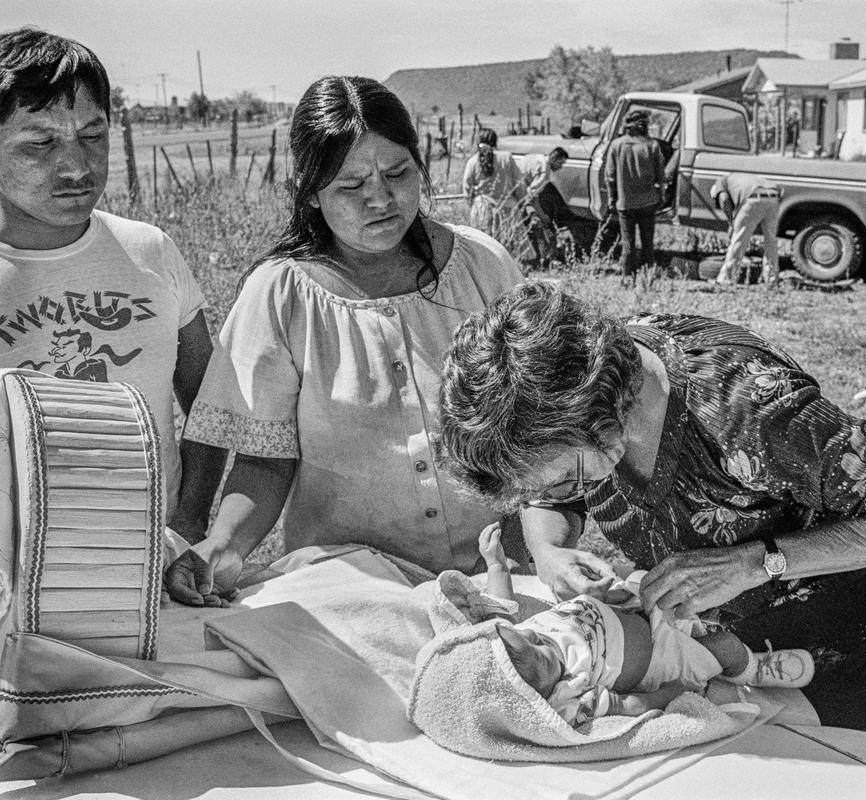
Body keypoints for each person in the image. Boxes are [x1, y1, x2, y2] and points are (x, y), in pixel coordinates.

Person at [435, 281, 866, 736]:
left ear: (601, 413)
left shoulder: (746, 407)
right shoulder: (572, 404)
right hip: (689, 659)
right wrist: (549, 549)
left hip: (822, 649)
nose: (563, 489)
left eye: (569, 473)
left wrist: (754, 563)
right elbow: (550, 491)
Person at [164, 76, 523, 606]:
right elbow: (266, 460)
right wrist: (223, 544)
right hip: (352, 586)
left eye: (398, 173)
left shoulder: (482, 267)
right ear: (310, 191)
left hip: (498, 572)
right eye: (351, 186)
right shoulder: (279, 297)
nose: (380, 198)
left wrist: (525, 554)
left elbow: (537, 430)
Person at [0, 27, 224, 544]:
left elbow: (212, 407)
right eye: (41, 143)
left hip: (147, 563)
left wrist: (187, 523)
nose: (76, 165)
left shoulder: (150, 251)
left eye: (93, 136)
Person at [474, 522, 814, 727]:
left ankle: (710, 641)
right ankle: (752, 669)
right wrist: (666, 697)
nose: (535, 635)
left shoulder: (508, 641)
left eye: (526, 635)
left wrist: (496, 566)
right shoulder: (565, 694)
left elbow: (499, 611)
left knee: (656, 580)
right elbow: (626, 707)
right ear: (543, 693)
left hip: (634, 608)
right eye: (541, 652)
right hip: (661, 658)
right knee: (722, 644)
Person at [604, 109, 665, 276]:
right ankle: (647, 278)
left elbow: (610, 176)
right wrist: (661, 196)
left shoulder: (617, 145)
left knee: (628, 244)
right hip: (648, 202)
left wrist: (612, 198)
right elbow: (661, 176)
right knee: (648, 244)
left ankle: (627, 278)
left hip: (625, 203)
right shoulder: (652, 146)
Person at [710, 173, 782, 286]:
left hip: (753, 197)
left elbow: (724, 200)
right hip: (774, 196)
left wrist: (731, 223)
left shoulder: (720, 182)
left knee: (739, 240)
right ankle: (772, 280)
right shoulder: (737, 179)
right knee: (771, 241)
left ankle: (725, 279)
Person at [461, 127, 524, 238]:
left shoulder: (473, 161)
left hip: (482, 212)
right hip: (508, 211)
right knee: (509, 250)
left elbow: (466, 189)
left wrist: (473, 204)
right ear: (495, 141)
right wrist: (521, 202)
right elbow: (519, 185)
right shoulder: (507, 158)